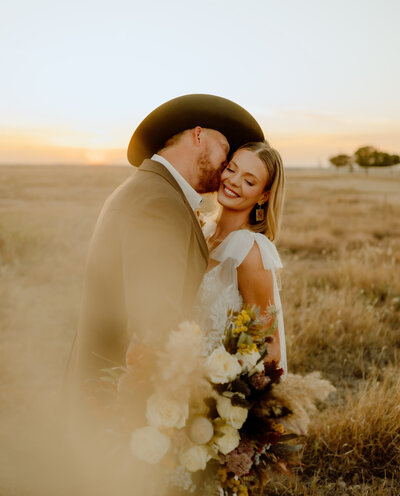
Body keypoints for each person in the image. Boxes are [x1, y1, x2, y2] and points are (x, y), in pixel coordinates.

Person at [62, 94, 264, 495]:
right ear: (198, 135)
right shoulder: (159, 202)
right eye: (225, 150)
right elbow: (156, 324)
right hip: (119, 410)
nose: (227, 165)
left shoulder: (151, 190)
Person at [195, 141, 287, 373]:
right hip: (184, 375)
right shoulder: (204, 232)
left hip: (218, 386)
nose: (234, 181)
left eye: (249, 181)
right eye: (231, 169)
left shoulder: (249, 250)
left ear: (264, 196)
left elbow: (269, 346)